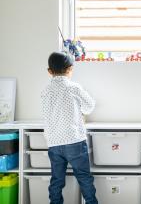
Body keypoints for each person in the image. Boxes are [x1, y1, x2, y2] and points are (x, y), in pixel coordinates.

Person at [41, 51, 98, 204]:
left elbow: (46, 114)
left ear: (49, 71)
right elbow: (89, 106)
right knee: (84, 177)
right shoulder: (73, 87)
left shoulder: (45, 91)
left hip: (54, 142)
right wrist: (81, 112)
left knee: (57, 181)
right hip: (74, 140)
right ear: (70, 69)